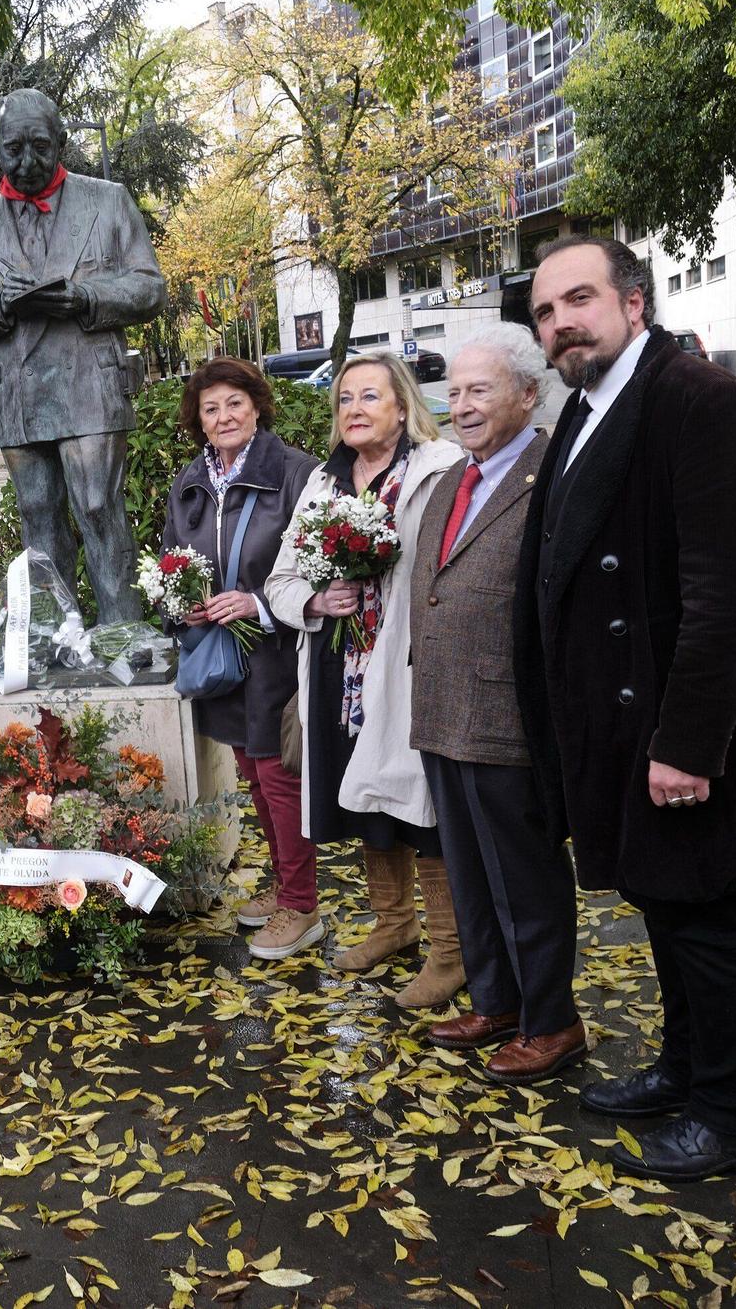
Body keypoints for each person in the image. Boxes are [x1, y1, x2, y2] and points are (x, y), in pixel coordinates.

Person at [517, 235, 736, 1181]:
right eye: (544, 313)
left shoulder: (700, 400)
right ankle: (690, 1066)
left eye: (578, 300)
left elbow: (732, 593)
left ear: (634, 303)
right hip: (621, 725)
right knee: (665, 904)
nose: (561, 322)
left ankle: (734, 1117)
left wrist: (688, 743)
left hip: (690, 729)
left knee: (705, 918)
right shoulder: (587, 410)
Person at [406, 324, 585, 1083]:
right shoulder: (455, 475)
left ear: (527, 393)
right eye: (454, 389)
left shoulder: (555, 476)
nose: (463, 404)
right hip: (444, 708)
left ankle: (553, 1021)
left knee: (524, 875)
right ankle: (496, 999)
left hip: (507, 712)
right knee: (470, 869)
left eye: (480, 389)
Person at [266, 353, 465, 1008]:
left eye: (370, 396)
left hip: (411, 666)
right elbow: (281, 580)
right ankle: (393, 924)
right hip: (338, 671)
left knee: (419, 803)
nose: (354, 408)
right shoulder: (323, 485)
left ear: (402, 407)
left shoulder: (436, 472)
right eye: (345, 398)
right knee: (365, 797)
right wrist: (319, 602)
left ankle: (449, 950)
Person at [0, 87, 166, 623]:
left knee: (97, 508)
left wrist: (86, 296)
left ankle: (119, 633)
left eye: (40, 146)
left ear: (62, 141)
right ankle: (57, 636)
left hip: (89, 381)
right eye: (11, 149)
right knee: (38, 515)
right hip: (16, 392)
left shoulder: (107, 200)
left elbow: (150, 288)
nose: (27, 162)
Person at [158, 359, 320, 960]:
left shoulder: (296, 473)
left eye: (233, 403)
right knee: (251, 773)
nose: (223, 416)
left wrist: (258, 603)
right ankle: (284, 887)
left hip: (276, 647)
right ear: (197, 420)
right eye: (210, 408)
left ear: (256, 405)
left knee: (279, 776)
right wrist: (183, 606)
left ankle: (303, 905)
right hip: (220, 653)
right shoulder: (191, 481)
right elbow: (173, 557)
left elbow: (314, 565)